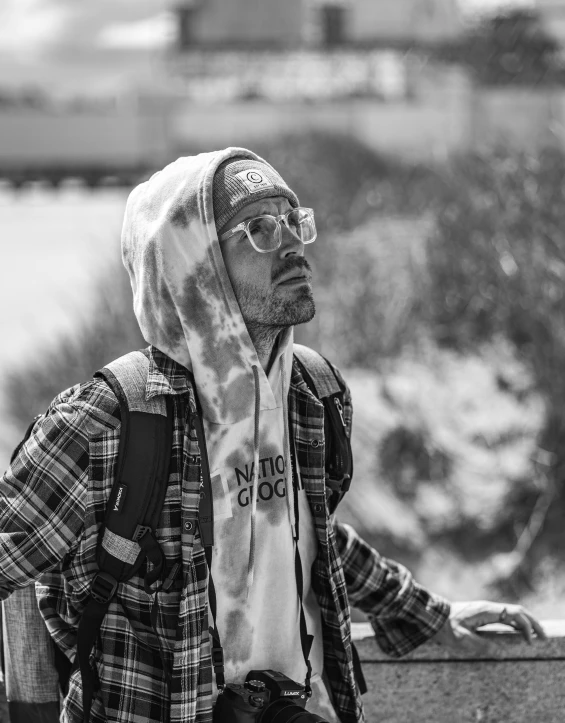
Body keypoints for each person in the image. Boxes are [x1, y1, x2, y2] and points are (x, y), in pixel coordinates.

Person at [0, 149, 546, 723]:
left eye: (293, 221)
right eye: (258, 230)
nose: (291, 244)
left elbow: (308, 531)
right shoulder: (112, 420)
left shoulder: (309, 392)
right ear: (194, 265)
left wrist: (427, 613)